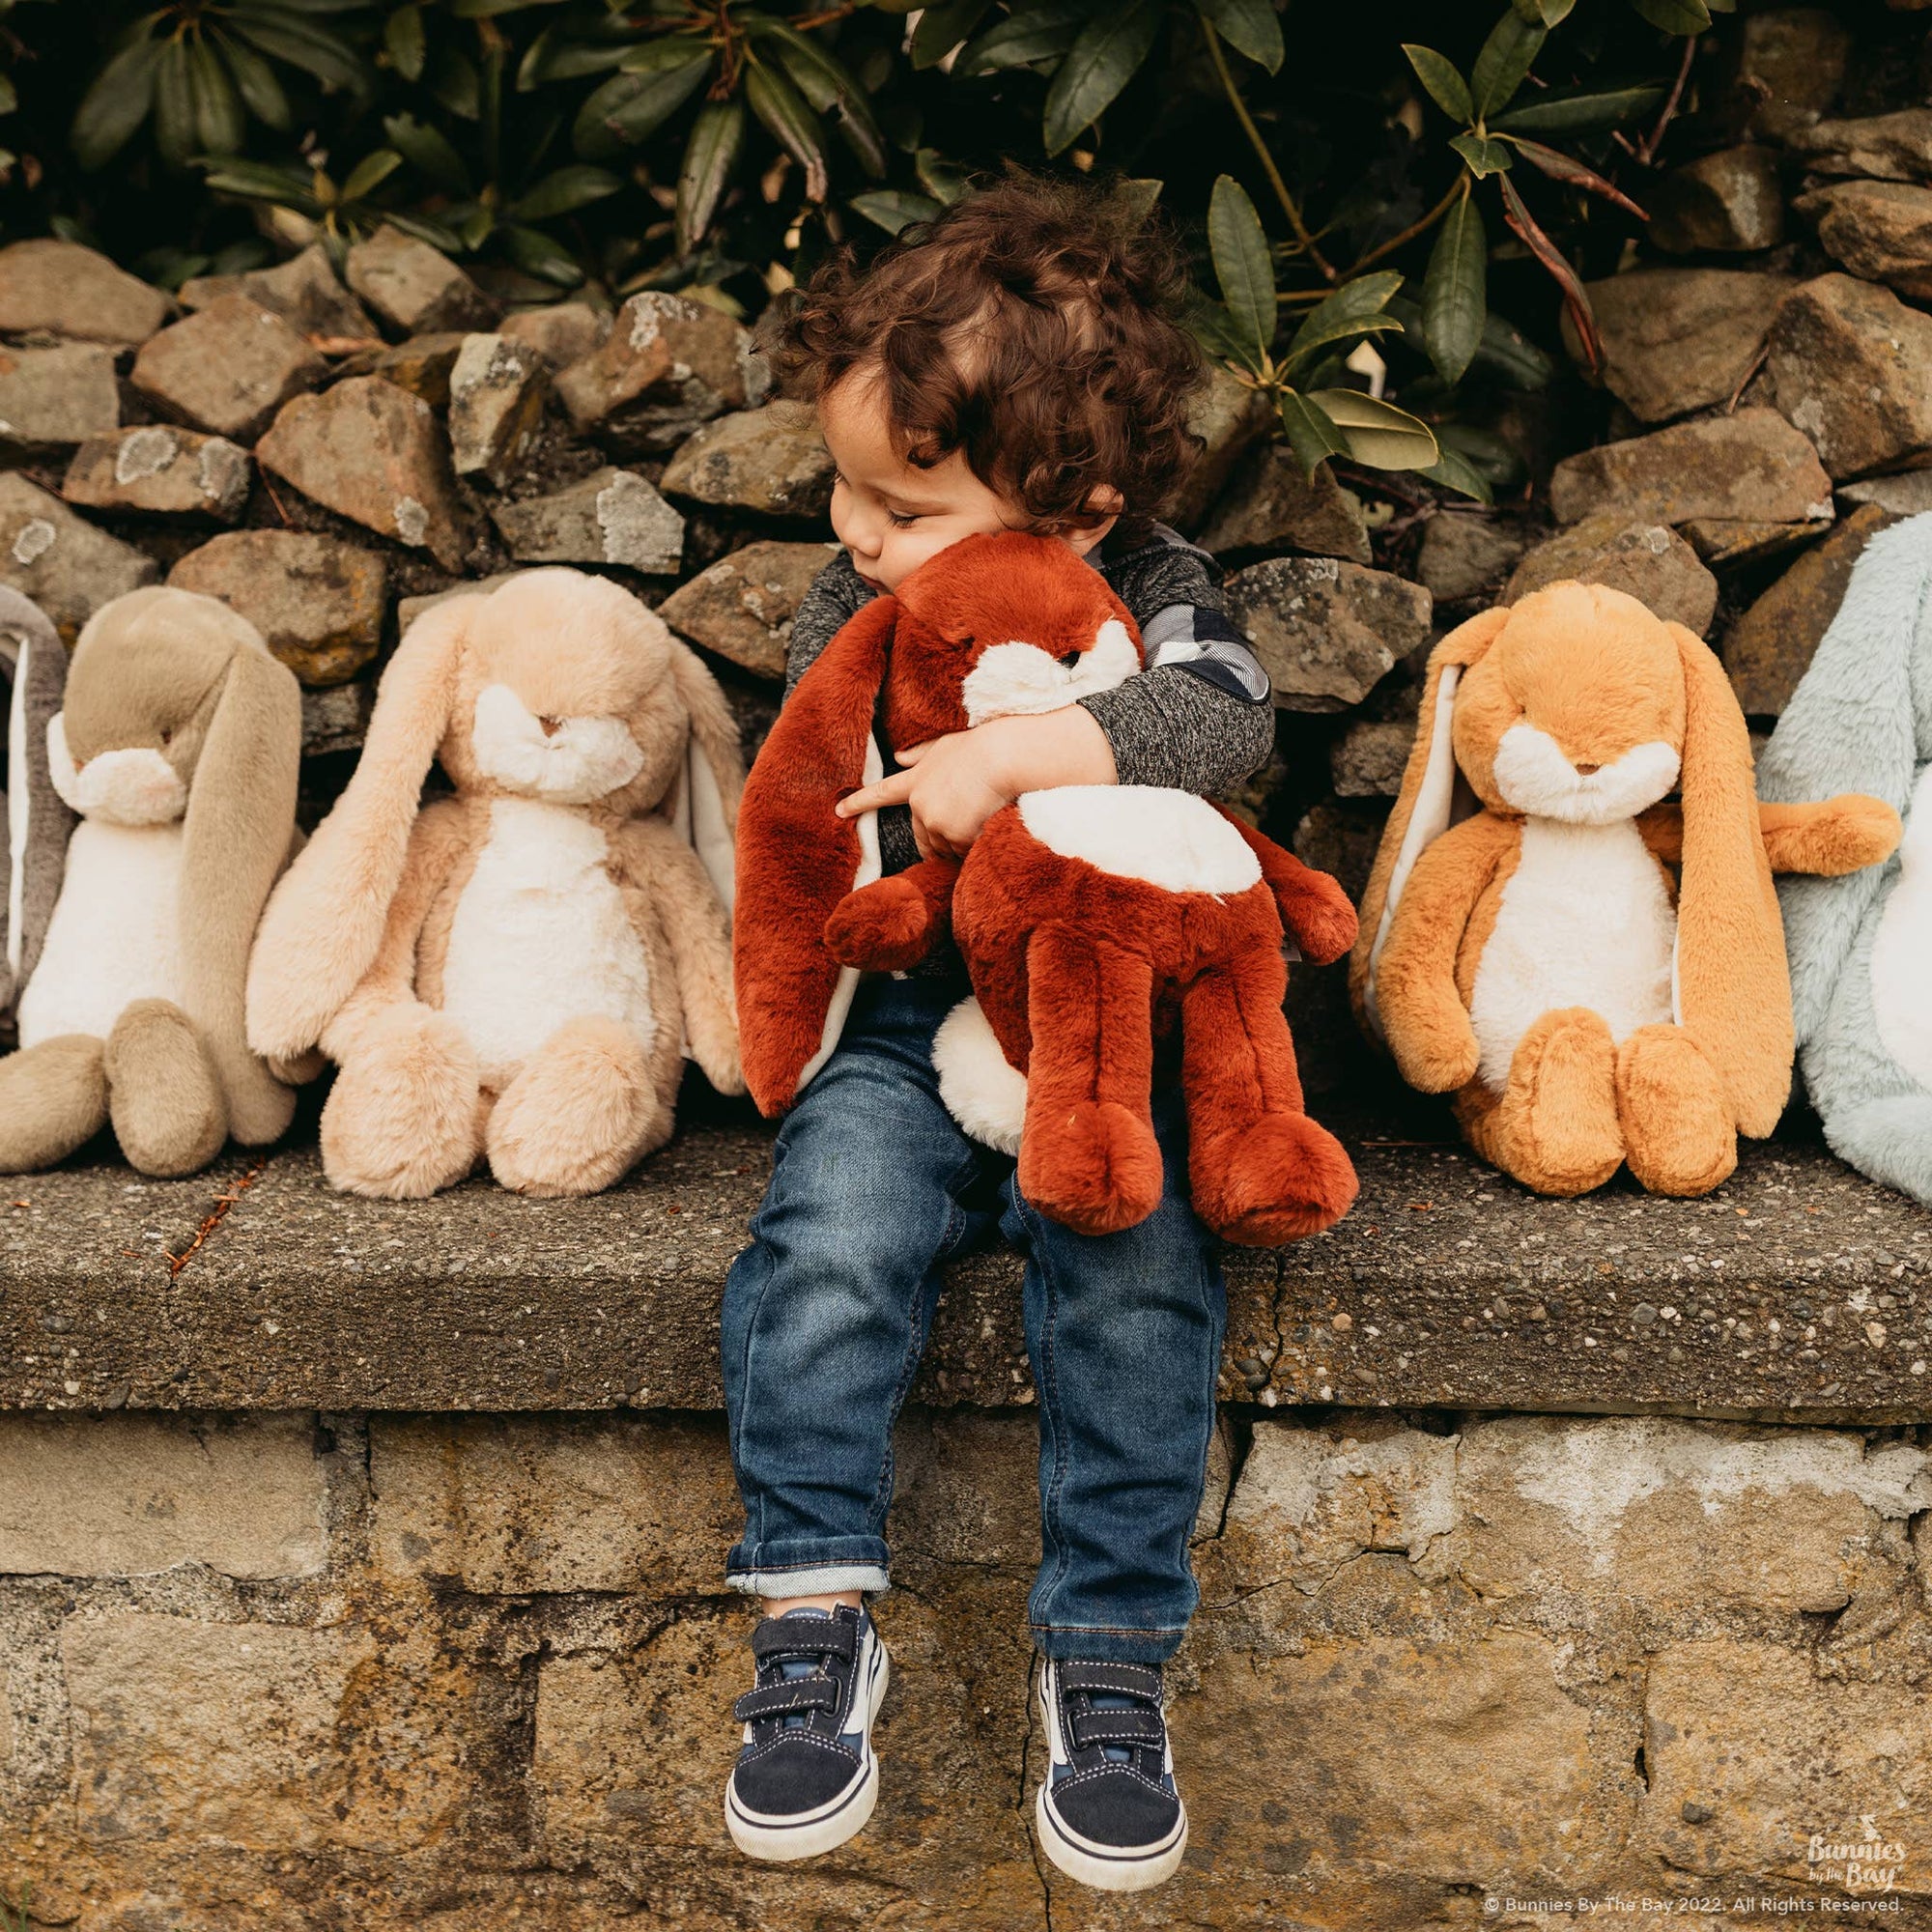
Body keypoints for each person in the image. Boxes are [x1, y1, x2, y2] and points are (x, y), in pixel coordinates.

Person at [718, 171, 1276, 1893]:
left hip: (1099, 1033)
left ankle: (1107, 1655)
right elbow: (812, 795)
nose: (857, 532)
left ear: (1078, 502)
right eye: (845, 490)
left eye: (904, 505)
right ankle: (812, 1612)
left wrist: (1021, 758)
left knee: (1137, 1270)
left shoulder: (1158, 583)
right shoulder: (858, 607)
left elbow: (1226, 723)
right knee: (830, 1238)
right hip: (906, 1015)